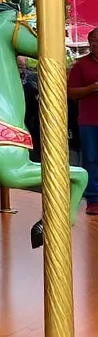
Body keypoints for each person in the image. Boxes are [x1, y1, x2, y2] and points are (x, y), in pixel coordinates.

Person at [68, 27, 98, 215]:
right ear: (90, 44)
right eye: (94, 40)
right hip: (89, 120)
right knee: (92, 158)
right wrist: (91, 88)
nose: (96, 43)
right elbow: (70, 92)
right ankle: (93, 199)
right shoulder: (80, 66)